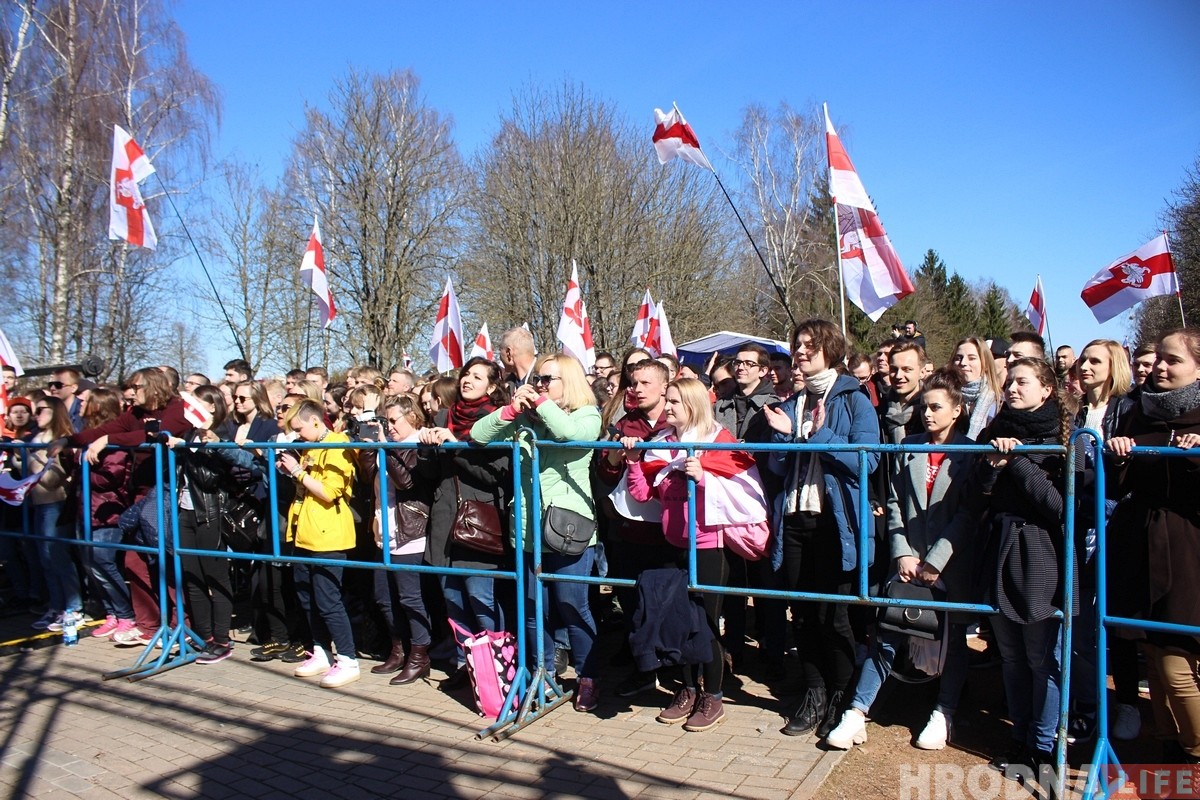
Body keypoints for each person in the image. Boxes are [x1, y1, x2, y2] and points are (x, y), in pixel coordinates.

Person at [824, 368, 976, 751]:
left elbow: (968, 513)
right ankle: (856, 711)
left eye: (936, 407)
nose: (927, 413)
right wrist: (903, 552)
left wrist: (936, 560)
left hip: (952, 566)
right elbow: (893, 502)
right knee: (888, 635)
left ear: (957, 410)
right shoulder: (910, 445)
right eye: (924, 407)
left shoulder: (972, 451)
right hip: (907, 564)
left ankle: (943, 711)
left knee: (953, 641)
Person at [621, 377, 771, 732]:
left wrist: (703, 477)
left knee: (705, 623)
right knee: (678, 622)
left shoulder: (719, 441)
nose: (667, 407)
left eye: (674, 401)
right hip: (672, 545)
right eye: (668, 400)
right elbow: (642, 494)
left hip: (709, 547)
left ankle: (713, 695)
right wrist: (633, 461)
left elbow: (746, 492)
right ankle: (687, 690)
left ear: (692, 405)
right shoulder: (661, 444)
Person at [762, 318, 880, 738]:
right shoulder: (792, 402)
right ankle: (814, 693)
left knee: (835, 617)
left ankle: (842, 697)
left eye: (809, 345)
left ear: (830, 349)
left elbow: (868, 461)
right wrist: (783, 437)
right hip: (794, 518)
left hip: (835, 522)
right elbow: (778, 468)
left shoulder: (855, 400)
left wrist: (818, 433)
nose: (800, 352)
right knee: (803, 613)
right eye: (797, 345)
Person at [473, 353, 603, 712]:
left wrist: (542, 405)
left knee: (572, 606)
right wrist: (511, 411)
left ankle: (588, 677)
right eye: (539, 379)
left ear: (569, 382)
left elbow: (568, 434)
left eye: (548, 379)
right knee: (533, 609)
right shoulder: (526, 418)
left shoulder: (587, 414)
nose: (540, 385)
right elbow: (478, 435)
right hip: (529, 527)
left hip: (570, 529)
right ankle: (541, 674)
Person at [975, 357, 1078, 775]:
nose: (1012, 389)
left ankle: (1043, 745)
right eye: (1009, 382)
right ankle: (1019, 738)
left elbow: (1060, 506)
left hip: (1040, 554)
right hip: (998, 548)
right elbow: (978, 493)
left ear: (1047, 389)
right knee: (1012, 657)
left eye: (1022, 382)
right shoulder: (994, 432)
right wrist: (991, 467)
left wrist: (1016, 460)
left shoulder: (1065, 438)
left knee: (1041, 658)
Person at [1107, 328, 1200, 763]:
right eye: (1158, 357)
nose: (1160, 366)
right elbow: (1117, 484)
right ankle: (1171, 750)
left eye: (1173, 360)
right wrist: (1119, 455)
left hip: (1188, 551)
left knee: (1176, 663)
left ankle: (1195, 751)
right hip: (1139, 543)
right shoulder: (1138, 412)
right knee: (1151, 651)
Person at [68, 367, 195, 646]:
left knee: (165, 560)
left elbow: (157, 435)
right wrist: (64, 441)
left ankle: (181, 626)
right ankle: (148, 625)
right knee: (135, 560)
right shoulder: (134, 413)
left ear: (152, 387)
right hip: (140, 495)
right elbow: (103, 430)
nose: (130, 392)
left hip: (167, 493)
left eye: (135, 387)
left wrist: (108, 441)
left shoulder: (176, 408)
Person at [416, 357, 512, 686]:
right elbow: (429, 475)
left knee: (481, 600)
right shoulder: (443, 416)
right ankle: (466, 666)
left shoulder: (496, 419)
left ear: (492, 386)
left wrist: (457, 447)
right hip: (445, 521)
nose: (467, 380)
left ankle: (498, 668)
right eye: (465, 375)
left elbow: (496, 475)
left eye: (477, 376)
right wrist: (427, 448)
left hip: (480, 523)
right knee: (453, 600)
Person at [1067, 338, 1138, 743]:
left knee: (1109, 620)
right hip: (1078, 519)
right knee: (1079, 621)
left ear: (1115, 367)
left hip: (1114, 522)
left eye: (1095, 360)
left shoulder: (1128, 410)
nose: (1086, 366)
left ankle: (1122, 703)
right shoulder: (1075, 410)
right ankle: (1085, 705)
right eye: (1083, 360)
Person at [595, 358, 675, 697]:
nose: (637, 389)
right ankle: (643, 669)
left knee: (668, 605)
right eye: (633, 383)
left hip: (671, 531)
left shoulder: (678, 419)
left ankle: (675, 671)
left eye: (645, 383)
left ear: (665, 386)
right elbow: (605, 472)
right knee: (633, 602)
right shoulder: (624, 424)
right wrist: (616, 457)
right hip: (631, 529)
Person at [166, 385, 257, 664]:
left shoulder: (220, 434)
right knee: (193, 578)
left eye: (198, 403)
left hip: (210, 513)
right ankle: (203, 636)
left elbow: (212, 478)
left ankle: (221, 639)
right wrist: (178, 446)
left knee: (215, 577)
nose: (191, 408)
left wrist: (198, 449)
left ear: (212, 407)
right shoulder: (188, 434)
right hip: (185, 512)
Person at [276, 399, 361, 688]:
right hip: (304, 532)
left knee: (328, 601)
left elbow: (330, 492)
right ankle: (321, 651)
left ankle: (348, 659)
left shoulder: (338, 444)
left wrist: (297, 472)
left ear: (315, 421)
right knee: (307, 598)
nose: (297, 435)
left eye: (300, 429)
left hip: (328, 534)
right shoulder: (310, 447)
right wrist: (291, 470)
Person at [358, 393, 435, 686]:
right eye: (385, 421)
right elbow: (368, 476)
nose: (388, 427)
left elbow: (406, 481)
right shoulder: (387, 443)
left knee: (409, 598)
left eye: (393, 421)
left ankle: (419, 655)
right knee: (384, 596)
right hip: (384, 530)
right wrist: (369, 447)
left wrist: (385, 447)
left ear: (412, 417)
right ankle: (398, 648)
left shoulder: (418, 443)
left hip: (410, 531)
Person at [79, 388, 136, 640]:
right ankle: (112, 613)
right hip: (86, 509)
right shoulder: (87, 436)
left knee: (104, 562)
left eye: (86, 402)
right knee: (90, 565)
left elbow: (112, 476)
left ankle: (126, 615)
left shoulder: (113, 441)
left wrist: (83, 469)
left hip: (107, 511)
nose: (80, 405)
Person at [25, 397, 83, 632]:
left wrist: (32, 457)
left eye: (42, 410)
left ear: (55, 412)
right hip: (37, 504)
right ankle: (56, 605)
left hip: (55, 503)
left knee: (58, 557)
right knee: (45, 559)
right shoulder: (34, 439)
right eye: (36, 410)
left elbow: (51, 479)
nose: (36, 415)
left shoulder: (60, 441)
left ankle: (73, 607)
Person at [950, 337, 1003, 439]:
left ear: (985, 364)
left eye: (972, 358)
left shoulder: (1000, 402)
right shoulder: (944, 396)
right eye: (958, 358)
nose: (963, 363)